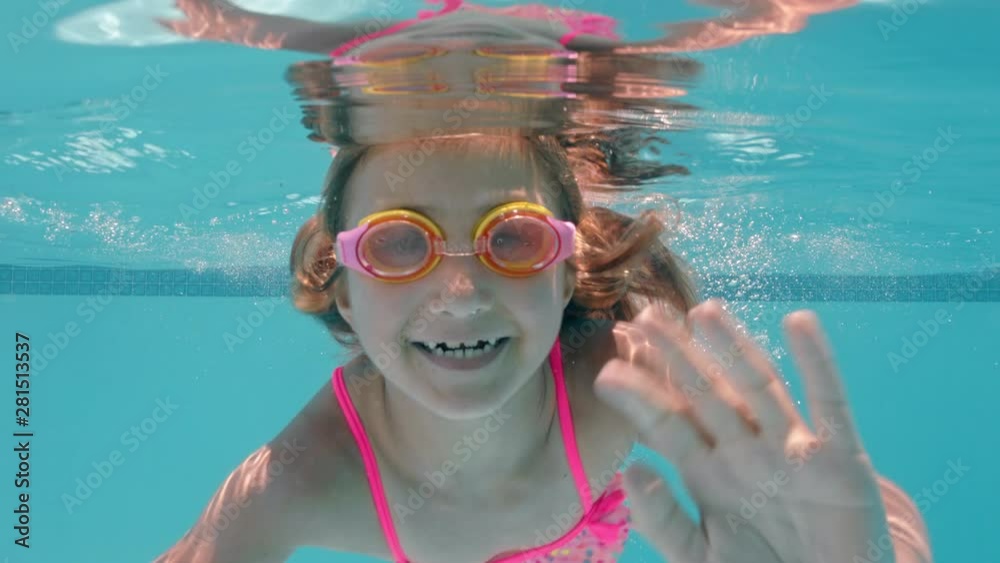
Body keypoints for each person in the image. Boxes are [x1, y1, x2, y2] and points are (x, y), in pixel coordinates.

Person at [154, 2, 934, 562]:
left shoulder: (628, 371)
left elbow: (834, 496)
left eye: (513, 238)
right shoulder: (302, 479)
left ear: (566, 271)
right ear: (344, 288)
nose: (460, 294)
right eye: (398, 243)